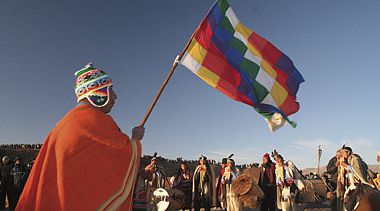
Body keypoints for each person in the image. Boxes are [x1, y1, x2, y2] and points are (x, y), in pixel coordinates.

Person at [16, 63, 145, 210]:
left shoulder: (65, 123)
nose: (115, 96)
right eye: (110, 89)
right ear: (97, 92)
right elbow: (121, 157)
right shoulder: (96, 120)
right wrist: (135, 139)